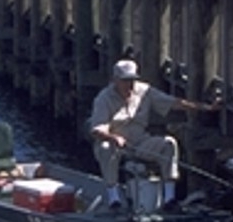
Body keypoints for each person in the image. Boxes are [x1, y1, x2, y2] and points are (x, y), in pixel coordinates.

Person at [87, 59, 214, 207]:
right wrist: (113, 137)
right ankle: (113, 198)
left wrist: (207, 108)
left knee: (169, 144)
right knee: (105, 148)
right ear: (115, 80)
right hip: (116, 146)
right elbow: (96, 129)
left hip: (140, 143)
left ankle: (169, 199)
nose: (130, 84)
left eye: (132, 80)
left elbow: (174, 103)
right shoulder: (103, 98)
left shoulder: (144, 91)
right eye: (125, 80)